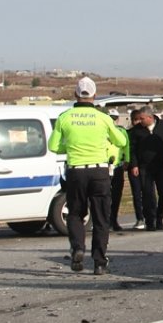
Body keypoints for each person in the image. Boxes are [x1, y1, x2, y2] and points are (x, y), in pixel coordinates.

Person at [47, 77, 126, 275]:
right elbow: (121, 141)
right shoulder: (103, 118)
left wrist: (71, 146)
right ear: (94, 96)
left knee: (76, 213)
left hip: (76, 171)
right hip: (99, 171)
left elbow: (53, 146)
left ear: (75, 95)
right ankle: (99, 261)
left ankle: (78, 248)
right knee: (101, 217)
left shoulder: (65, 117)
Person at [129, 106, 163, 230]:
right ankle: (150, 221)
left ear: (150, 117)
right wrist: (134, 164)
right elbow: (132, 149)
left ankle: (159, 217)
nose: (140, 121)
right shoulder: (137, 130)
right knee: (148, 195)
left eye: (142, 118)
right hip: (144, 167)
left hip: (161, 165)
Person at [107, 112, 132, 231]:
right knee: (104, 196)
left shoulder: (122, 131)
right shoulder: (103, 131)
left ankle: (114, 219)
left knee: (116, 195)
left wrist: (127, 160)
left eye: (114, 118)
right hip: (104, 167)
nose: (113, 120)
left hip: (118, 167)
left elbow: (126, 146)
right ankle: (105, 220)